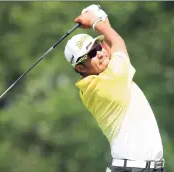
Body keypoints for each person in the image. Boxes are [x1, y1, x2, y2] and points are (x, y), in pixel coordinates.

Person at [64, 4, 165, 172]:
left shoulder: (98, 80)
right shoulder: (110, 80)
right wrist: (95, 22)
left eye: (97, 47)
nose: (100, 53)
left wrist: (100, 17)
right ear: (81, 68)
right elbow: (117, 42)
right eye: (91, 54)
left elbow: (110, 43)